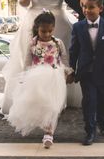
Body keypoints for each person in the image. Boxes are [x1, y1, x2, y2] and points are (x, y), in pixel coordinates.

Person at [5, 11, 70, 148]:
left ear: (53, 29)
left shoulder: (58, 43)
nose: (46, 34)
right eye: (43, 31)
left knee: (52, 106)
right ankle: (43, 124)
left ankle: (48, 133)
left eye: (49, 31)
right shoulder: (32, 43)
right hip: (36, 79)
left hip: (54, 78)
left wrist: (66, 72)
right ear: (37, 29)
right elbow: (28, 62)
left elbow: (63, 59)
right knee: (39, 104)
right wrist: (26, 77)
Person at [67, 0, 104, 146]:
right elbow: (74, 50)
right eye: (84, 7)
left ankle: (102, 122)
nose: (86, 10)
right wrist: (71, 70)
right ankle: (90, 131)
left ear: (100, 9)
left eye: (91, 7)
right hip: (86, 72)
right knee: (89, 102)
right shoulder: (78, 27)